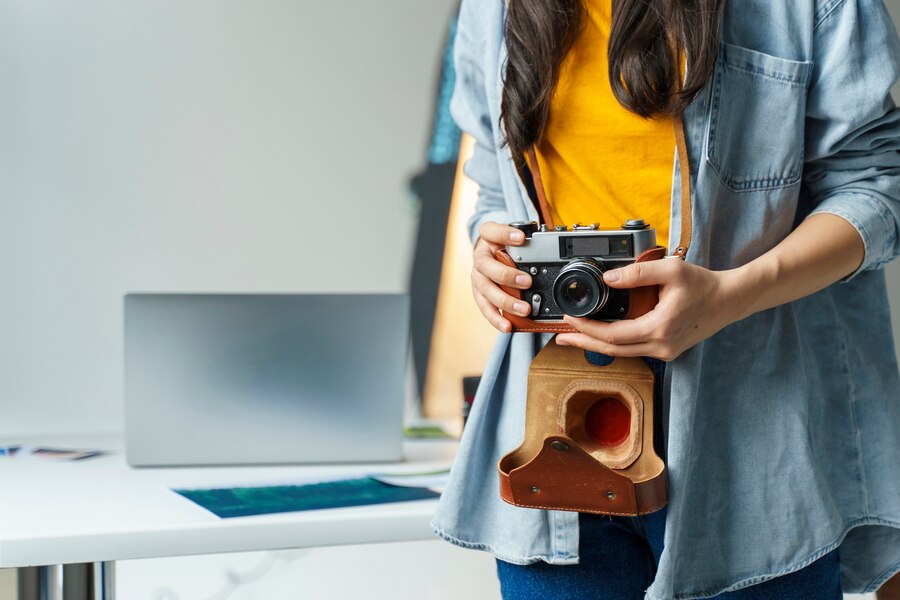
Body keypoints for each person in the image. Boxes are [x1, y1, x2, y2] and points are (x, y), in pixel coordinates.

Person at [431, 0, 900, 598]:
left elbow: (876, 188)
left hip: (756, 406)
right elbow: (495, 184)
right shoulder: (491, 9)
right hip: (552, 408)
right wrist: (488, 257)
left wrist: (729, 295)